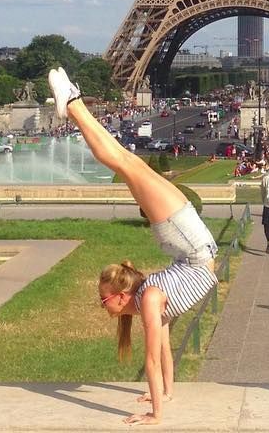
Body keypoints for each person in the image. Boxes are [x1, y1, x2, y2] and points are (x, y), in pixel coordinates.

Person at [48, 66, 218, 427]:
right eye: (103, 299)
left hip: (185, 239)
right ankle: (74, 103)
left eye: (102, 299)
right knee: (126, 162)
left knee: (126, 162)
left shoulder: (151, 299)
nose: (103, 305)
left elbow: (154, 359)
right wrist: (165, 398)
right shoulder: (151, 301)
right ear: (122, 295)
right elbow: (162, 355)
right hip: (186, 240)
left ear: (122, 295)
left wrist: (155, 414)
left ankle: (74, 104)